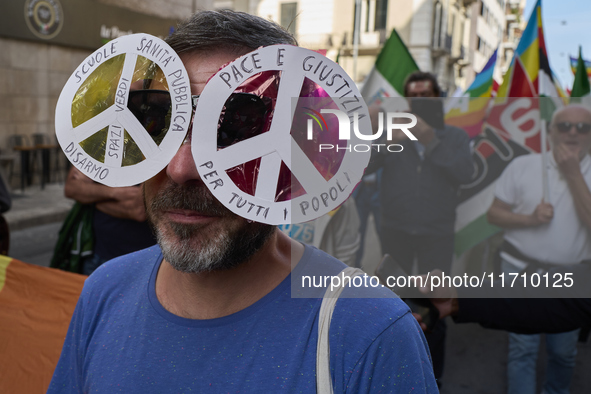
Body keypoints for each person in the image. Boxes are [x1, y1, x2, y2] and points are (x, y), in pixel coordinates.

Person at [47, 10, 437, 393]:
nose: (182, 168)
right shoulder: (103, 293)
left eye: (238, 129)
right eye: (160, 122)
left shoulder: (370, 335)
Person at [367, 71, 474, 384]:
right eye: (413, 95)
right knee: (392, 301)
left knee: (434, 305)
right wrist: (384, 140)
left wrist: (430, 140)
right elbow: (366, 165)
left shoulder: (454, 136)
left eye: (425, 95)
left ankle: (431, 376)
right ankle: (393, 366)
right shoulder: (396, 131)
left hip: (435, 234)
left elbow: (464, 173)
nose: (418, 101)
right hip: (396, 229)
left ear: (436, 97)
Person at [485, 104, 591, 394]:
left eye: (582, 127)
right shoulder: (522, 166)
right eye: (564, 126)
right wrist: (530, 219)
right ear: (550, 132)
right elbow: (494, 215)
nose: (573, 132)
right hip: (519, 269)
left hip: (571, 277)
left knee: (563, 352)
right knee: (522, 348)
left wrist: (573, 174)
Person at [63, 167, 157, 275]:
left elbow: (138, 211)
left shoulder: (153, 156)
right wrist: (114, 192)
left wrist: (90, 199)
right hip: (96, 254)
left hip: (138, 260)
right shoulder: (97, 150)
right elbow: (71, 189)